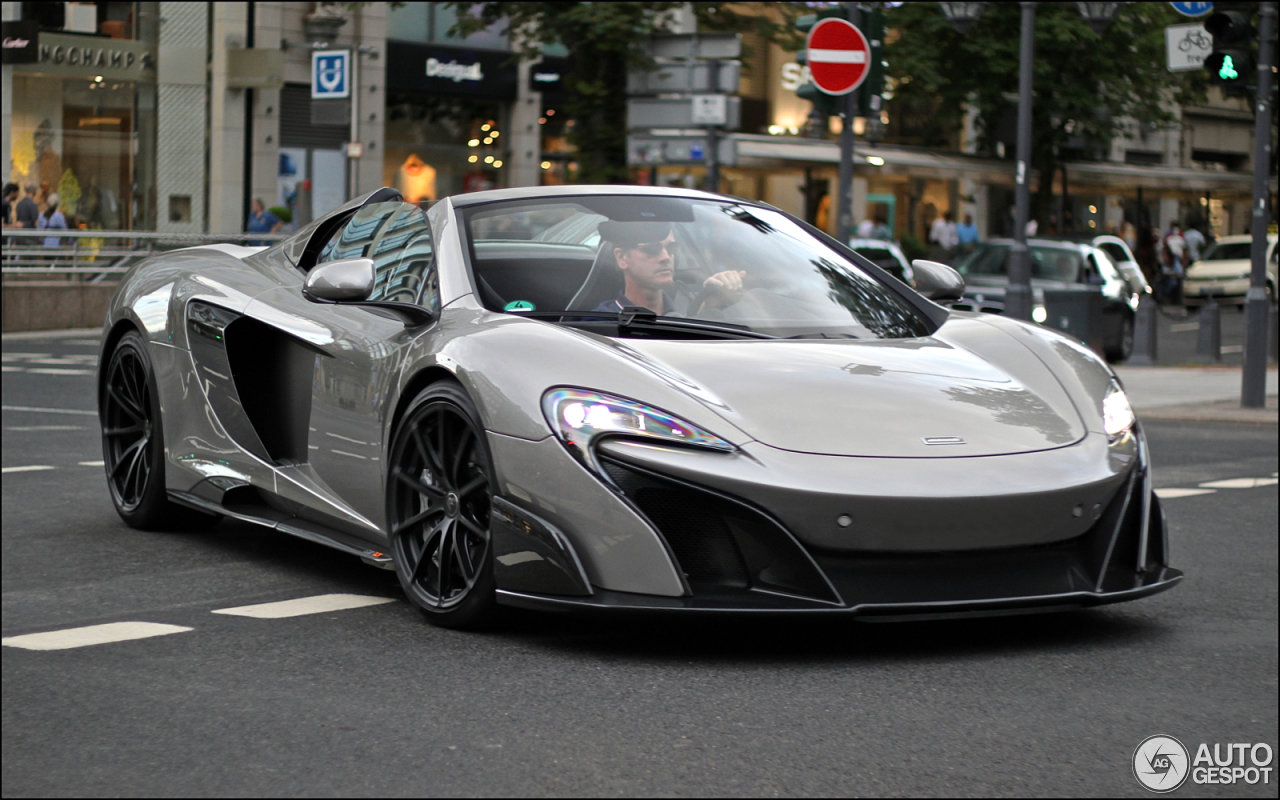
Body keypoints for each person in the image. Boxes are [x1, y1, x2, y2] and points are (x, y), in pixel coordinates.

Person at [593, 221, 744, 317]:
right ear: (622, 258)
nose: (666, 257)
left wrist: (708, 306)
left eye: (671, 247)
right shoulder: (597, 324)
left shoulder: (684, 309)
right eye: (652, 249)